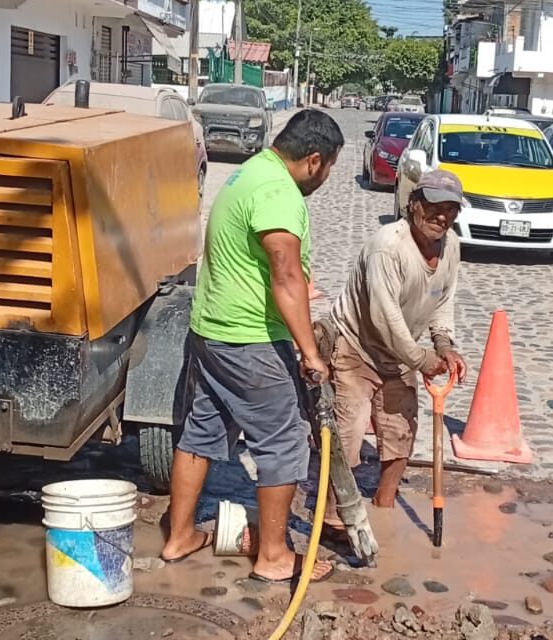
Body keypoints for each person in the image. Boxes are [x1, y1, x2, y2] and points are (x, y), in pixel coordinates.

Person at [159, 110, 345, 584]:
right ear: (314, 160)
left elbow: (267, 266)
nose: (323, 180)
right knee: (282, 441)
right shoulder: (278, 192)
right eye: (327, 171)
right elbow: (284, 272)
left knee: (201, 431)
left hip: (211, 331)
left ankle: (180, 536)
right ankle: (275, 557)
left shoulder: (250, 172)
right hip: (250, 341)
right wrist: (311, 354)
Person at [322, 169, 468, 537]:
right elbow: (384, 317)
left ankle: (383, 509)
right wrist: (421, 360)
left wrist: (445, 345)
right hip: (357, 346)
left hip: (401, 354)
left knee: (400, 434)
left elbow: (442, 301)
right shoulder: (388, 246)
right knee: (349, 437)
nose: (442, 216)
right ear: (414, 204)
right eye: (435, 206)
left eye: (451, 209)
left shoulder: (450, 247)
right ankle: (330, 519)